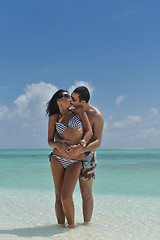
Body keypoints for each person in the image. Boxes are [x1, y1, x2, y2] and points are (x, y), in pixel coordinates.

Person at [46, 89, 92, 228]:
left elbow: (89, 132)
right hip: (57, 158)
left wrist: (81, 144)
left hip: (75, 160)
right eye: (66, 96)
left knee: (66, 197)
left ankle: (71, 229)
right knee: (58, 197)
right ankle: (61, 230)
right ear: (58, 100)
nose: (69, 98)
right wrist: (57, 144)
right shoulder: (54, 117)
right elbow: (49, 141)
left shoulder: (77, 112)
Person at [68, 86, 104, 225]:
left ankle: (86, 226)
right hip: (70, 156)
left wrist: (81, 150)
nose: (70, 100)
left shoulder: (96, 115)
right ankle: (67, 225)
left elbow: (98, 142)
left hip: (87, 157)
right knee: (66, 193)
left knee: (86, 193)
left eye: (73, 98)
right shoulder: (71, 111)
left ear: (82, 101)